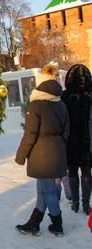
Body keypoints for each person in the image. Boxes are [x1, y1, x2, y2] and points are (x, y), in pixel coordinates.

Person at [15, 63, 69, 237]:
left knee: (49, 191)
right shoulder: (60, 104)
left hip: (42, 155)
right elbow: (66, 131)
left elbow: (30, 134)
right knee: (43, 189)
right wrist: (58, 146)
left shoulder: (36, 105)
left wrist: (20, 156)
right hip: (57, 153)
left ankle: (57, 225)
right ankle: (34, 223)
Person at [61, 64, 92, 215]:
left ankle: (76, 203)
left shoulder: (64, 96)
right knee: (86, 171)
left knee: (72, 171)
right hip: (87, 141)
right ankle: (86, 205)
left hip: (70, 141)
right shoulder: (89, 96)